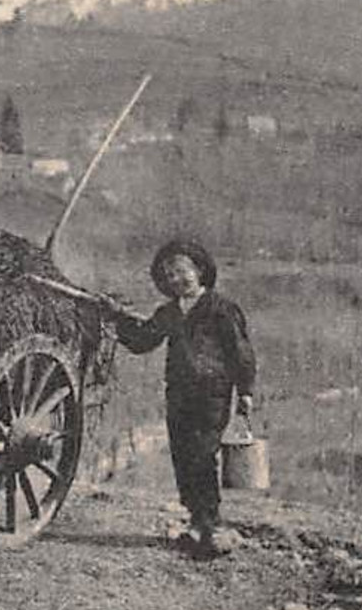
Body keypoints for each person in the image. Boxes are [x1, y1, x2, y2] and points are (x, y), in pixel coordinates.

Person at [103, 239, 256, 559]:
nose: (176, 279)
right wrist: (115, 319)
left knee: (203, 454)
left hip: (212, 395)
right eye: (168, 275)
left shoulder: (221, 308)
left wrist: (245, 392)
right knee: (183, 457)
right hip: (179, 395)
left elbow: (240, 353)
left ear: (200, 270)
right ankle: (196, 521)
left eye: (181, 271)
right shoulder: (169, 313)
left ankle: (211, 522)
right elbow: (144, 340)